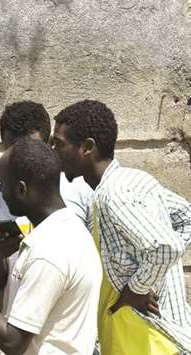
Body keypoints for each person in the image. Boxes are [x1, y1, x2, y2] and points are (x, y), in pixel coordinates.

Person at [0, 138, 102, 355]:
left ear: (21, 190)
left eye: (2, 184)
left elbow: (12, 342)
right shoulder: (72, 229)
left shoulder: (49, 251)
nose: (1, 192)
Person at [52, 100, 191, 354]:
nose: (53, 151)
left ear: (87, 147)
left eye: (59, 144)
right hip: (140, 338)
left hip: (147, 341)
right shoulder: (133, 181)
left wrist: (136, 289)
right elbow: (186, 217)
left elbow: (165, 246)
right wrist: (154, 279)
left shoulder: (114, 193)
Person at [0, 101, 93, 330]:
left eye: (29, 149)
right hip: (22, 329)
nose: (20, 161)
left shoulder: (80, 188)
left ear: (49, 145)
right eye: (12, 151)